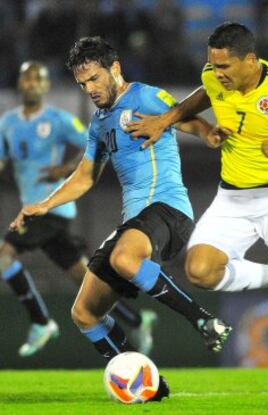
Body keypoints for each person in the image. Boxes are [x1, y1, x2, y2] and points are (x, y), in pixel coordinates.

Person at [10, 37, 232, 401]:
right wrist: (43, 204)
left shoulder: (145, 96)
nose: (90, 90)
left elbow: (182, 116)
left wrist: (209, 134)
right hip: (135, 222)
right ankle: (149, 387)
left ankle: (205, 320)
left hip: (168, 210)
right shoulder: (99, 123)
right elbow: (84, 177)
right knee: (83, 314)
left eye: (95, 79)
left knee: (124, 257)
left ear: (114, 68)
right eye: (82, 84)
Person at [125, 22, 268, 401]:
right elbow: (200, 96)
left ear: (250, 60)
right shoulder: (213, 76)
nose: (217, 73)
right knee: (199, 271)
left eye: (225, 67)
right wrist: (166, 119)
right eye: (214, 65)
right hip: (233, 198)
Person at [0, 61, 157, 357]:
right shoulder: (7, 123)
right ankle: (136, 320)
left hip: (52, 210)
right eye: (27, 78)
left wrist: (65, 167)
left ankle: (40, 321)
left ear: (46, 86)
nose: (32, 83)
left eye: (38, 78)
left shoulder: (58, 120)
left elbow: (93, 145)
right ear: (19, 84)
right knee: (84, 279)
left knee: (4, 256)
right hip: (33, 210)